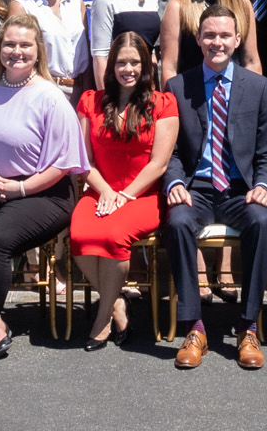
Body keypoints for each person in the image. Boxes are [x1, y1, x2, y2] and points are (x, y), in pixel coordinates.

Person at [0, 10, 86, 365]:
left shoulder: (50, 97)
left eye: (25, 45)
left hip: (43, 191)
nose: (16, 52)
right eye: (9, 44)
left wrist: (19, 191)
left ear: (38, 50)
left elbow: (62, 164)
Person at [161, 0, 267, 367]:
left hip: (239, 188)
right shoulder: (178, 86)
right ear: (198, 38)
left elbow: (266, 154)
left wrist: (264, 186)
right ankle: (195, 327)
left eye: (225, 35)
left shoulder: (258, 87)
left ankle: (247, 325)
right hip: (197, 187)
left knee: (261, 222)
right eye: (209, 35)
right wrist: (174, 182)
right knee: (178, 222)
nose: (217, 42)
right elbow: (172, 151)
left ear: (237, 38)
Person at [67, 27, 177, 347]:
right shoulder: (91, 101)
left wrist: (125, 195)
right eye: (120, 63)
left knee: (114, 237)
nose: (127, 69)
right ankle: (115, 303)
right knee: (80, 236)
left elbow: (159, 164)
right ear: (111, 66)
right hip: (101, 190)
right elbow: (83, 159)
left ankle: (101, 321)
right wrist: (107, 192)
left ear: (146, 66)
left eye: (134, 63)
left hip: (143, 195)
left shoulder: (163, 104)